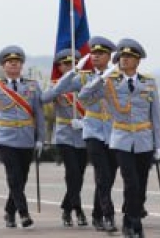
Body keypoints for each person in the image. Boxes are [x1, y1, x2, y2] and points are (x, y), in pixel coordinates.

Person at [79, 38, 160, 238]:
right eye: (122, 56)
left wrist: (158, 144)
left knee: (141, 186)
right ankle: (134, 224)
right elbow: (84, 96)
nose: (124, 60)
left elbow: (156, 115)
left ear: (137, 61)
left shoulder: (149, 83)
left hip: (144, 140)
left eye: (129, 57)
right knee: (130, 182)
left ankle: (129, 220)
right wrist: (101, 78)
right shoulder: (110, 82)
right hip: (121, 139)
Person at [46, 36, 119, 232]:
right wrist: (73, 71)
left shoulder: (117, 76)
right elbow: (56, 91)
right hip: (92, 130)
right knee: (102, 174)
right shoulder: (84, 77)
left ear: (109, 56)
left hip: (114, 132)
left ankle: (97, 214)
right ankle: (108, 216)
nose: (95, 56)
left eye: (100, 53)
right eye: (93, 53)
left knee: (109, 177)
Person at [0, 45, 46, 229]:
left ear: (22, 65)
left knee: (22, 178)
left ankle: (9, 212)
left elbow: (39, 114)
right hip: (4, 138)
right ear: (4, 66)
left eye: (17, 62)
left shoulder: (32, 86)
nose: (14, 65)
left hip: (26, 138)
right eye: (10, 62)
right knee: (14, 176)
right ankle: (23, 213)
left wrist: (41, 138)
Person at [41, 49, 89, 228]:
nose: (69, 66)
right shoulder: (55, 84)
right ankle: (77, 208)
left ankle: (67, 208)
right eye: (66, 64)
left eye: (73, 63)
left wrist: (85, 122)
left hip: (84, 133)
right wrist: (65, 79)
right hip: (64, 134)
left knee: (80, 175)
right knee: (72, 173)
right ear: (59, 66)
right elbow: (44, 98)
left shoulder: (87, 82)